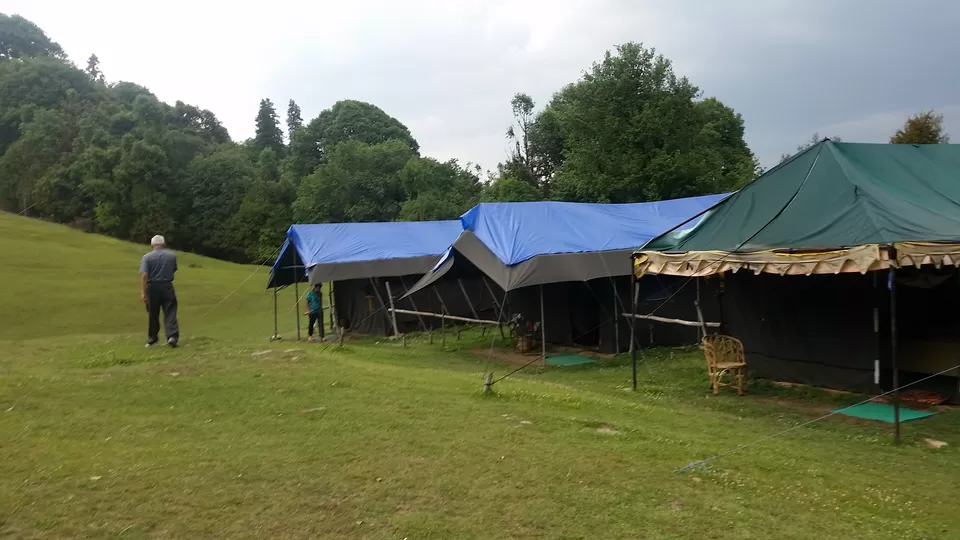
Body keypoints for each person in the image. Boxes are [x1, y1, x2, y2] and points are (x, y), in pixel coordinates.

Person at [140, 235, 179, 348]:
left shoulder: (147, 257)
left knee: (153, 313)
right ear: (164, 244)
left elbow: (144, 275)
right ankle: (172, 336)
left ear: (152, 244)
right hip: (167, 285)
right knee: (170, 311)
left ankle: (153, 339)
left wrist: (143, 292)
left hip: (152, 286)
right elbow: (173, 269)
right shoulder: (172, 256)